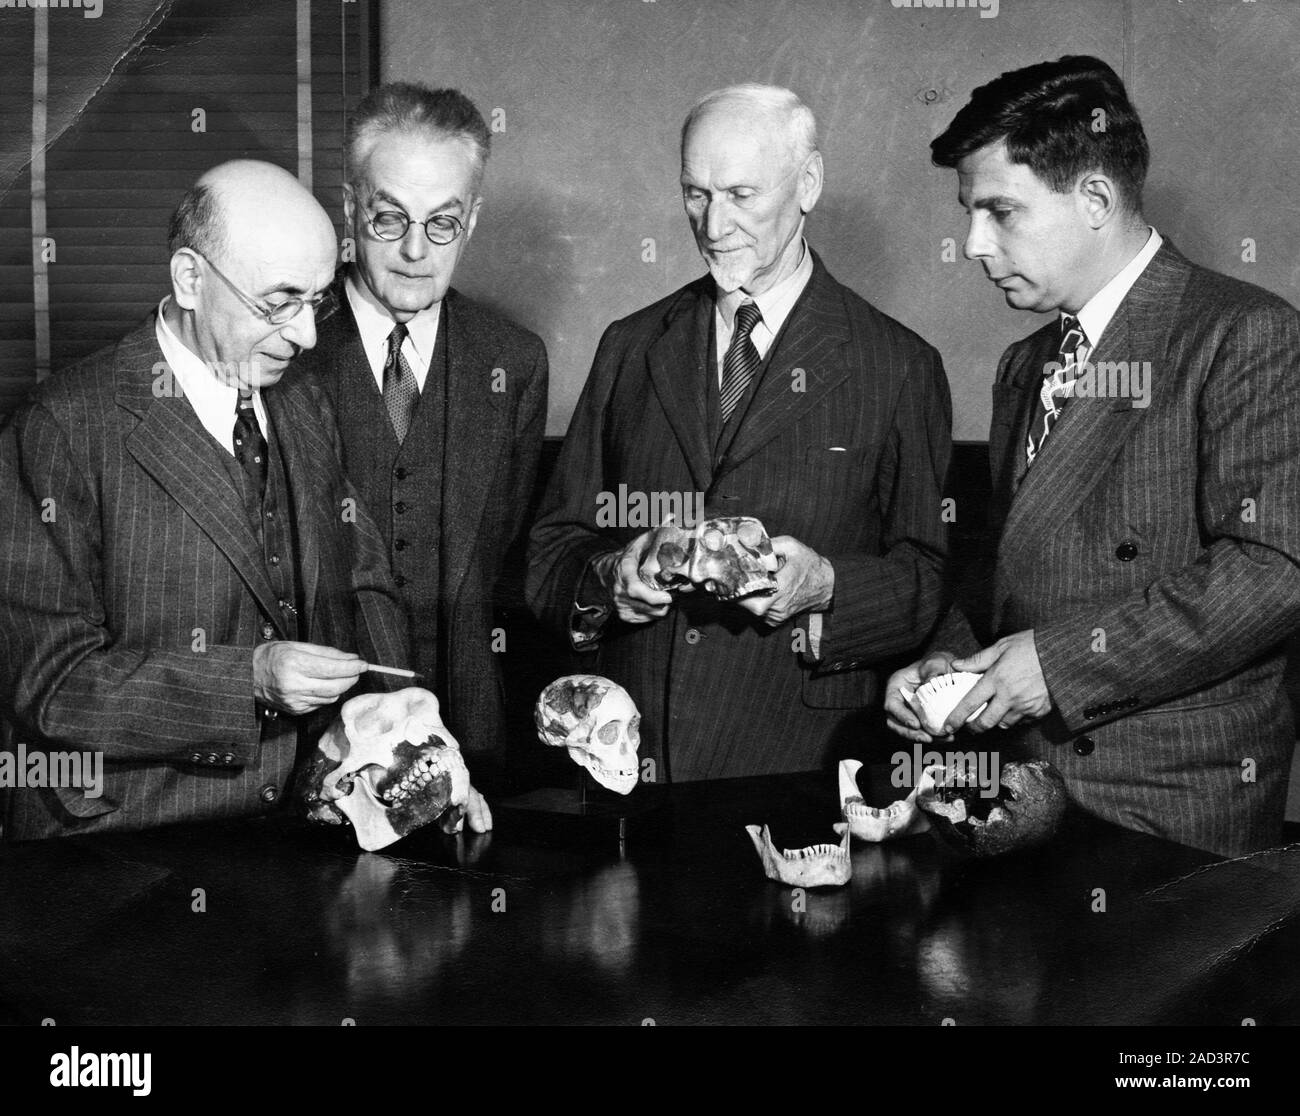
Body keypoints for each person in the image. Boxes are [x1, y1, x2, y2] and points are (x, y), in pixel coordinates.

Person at [886, 56, 1300, 856]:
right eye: (970, 214)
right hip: (1023, 790)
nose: (973, 244)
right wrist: (945, 669)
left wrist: (1060, 664)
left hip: (1169, 808)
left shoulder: (1244, 333)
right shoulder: (1024, 362)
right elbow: (1015, 571)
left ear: (1097, 201)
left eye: (1000, 212)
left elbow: (1275, 571)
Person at [0, 160, 489, 838]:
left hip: (294, 822)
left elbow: (361, 574)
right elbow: (50, 684)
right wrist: (248, 680)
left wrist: (399, 727)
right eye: (277, 303)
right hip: (122, 838)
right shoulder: (62, 428)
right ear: (190, 280)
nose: (307, 335)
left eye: (316, 302)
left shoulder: (298, 398)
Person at [527, 84, 952, 781]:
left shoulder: (898, 365)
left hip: (799, 762)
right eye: (695, 193)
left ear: (808, 183)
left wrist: (827, 585)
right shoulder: (630, 347)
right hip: (633, 761)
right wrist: (610, 578)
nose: (714, 224)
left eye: (741, 194)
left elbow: (927, 579)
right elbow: (553, 551)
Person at [288, 83, 547, 790]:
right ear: (348, 207)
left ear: (472, 221)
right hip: (312, 747)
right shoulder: (284, 349)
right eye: (387, 217)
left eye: (441, 223)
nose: (412, 250)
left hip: (473, 735)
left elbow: (506, 550)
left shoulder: (512, 361)